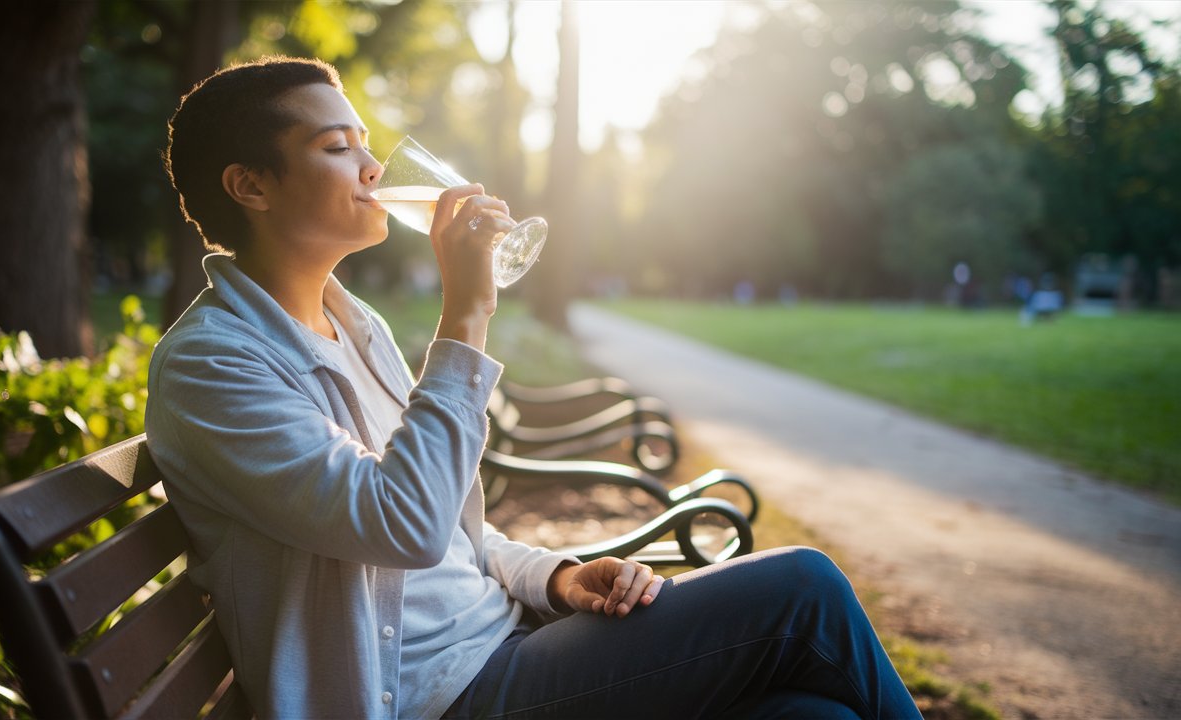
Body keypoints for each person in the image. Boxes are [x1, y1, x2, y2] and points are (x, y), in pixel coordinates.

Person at [145, 55, 922, 720]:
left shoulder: (354, 326)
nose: (373, 167)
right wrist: (469, 309)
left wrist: (555, 575)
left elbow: (454, 536)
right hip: (431, 697)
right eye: (336, 146)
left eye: (366, 143)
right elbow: (403, 523)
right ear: (250, 186)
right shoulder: (213, 367)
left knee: (811, 714)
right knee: (805, 590)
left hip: (503, 648)